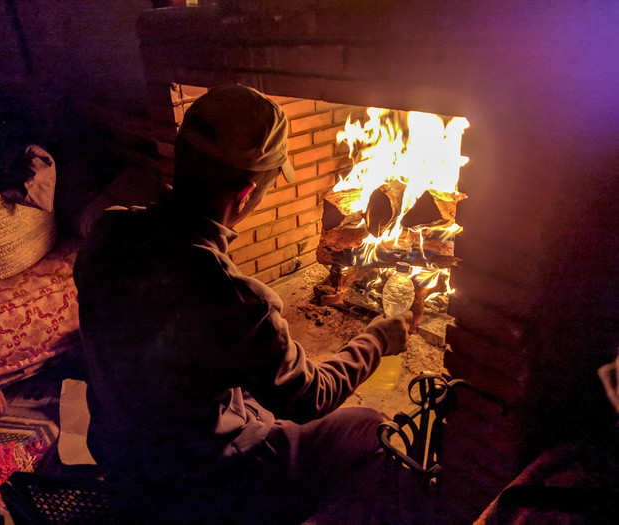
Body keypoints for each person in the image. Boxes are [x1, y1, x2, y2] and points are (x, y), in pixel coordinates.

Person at [73, 84, 412, 523]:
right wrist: (376, 339)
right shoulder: (235, 299)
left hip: (122, 461)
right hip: (203, 486)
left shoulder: (107, 231)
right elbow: (309, 397)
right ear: (247, 193)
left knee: (248, 401)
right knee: (370, 427)